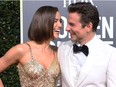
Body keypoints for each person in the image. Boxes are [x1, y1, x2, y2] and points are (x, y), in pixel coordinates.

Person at [0, 6, 62, 87]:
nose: (60, 25)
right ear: (44, 22)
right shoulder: (22, 50)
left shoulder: (58, 52)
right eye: (55, 21)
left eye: (60, 21)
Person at [58, 2, 116, 87]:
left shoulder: (111, 54)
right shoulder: (62, 48)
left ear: (88, 27)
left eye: (72, 24)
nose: (67, 28)